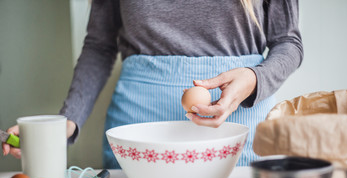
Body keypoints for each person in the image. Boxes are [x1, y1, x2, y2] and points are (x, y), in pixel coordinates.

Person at [3, 0, 303, 169]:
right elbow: (100, 46)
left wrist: (253, 79)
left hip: (239, 125)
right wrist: (65, 123)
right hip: (138, 130)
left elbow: (288, 42)